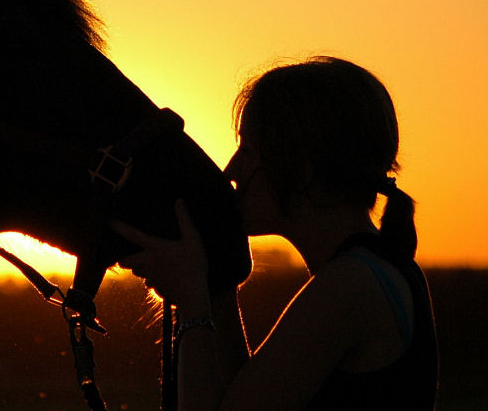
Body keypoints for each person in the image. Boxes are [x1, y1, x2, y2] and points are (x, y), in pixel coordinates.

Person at [112, 57, 438, 410]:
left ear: (302, 169)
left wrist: (191, 301)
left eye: (249, 150)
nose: (231, 169)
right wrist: (213, 291)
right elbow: (246, 395)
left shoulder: (347, 287)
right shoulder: (379, 270)